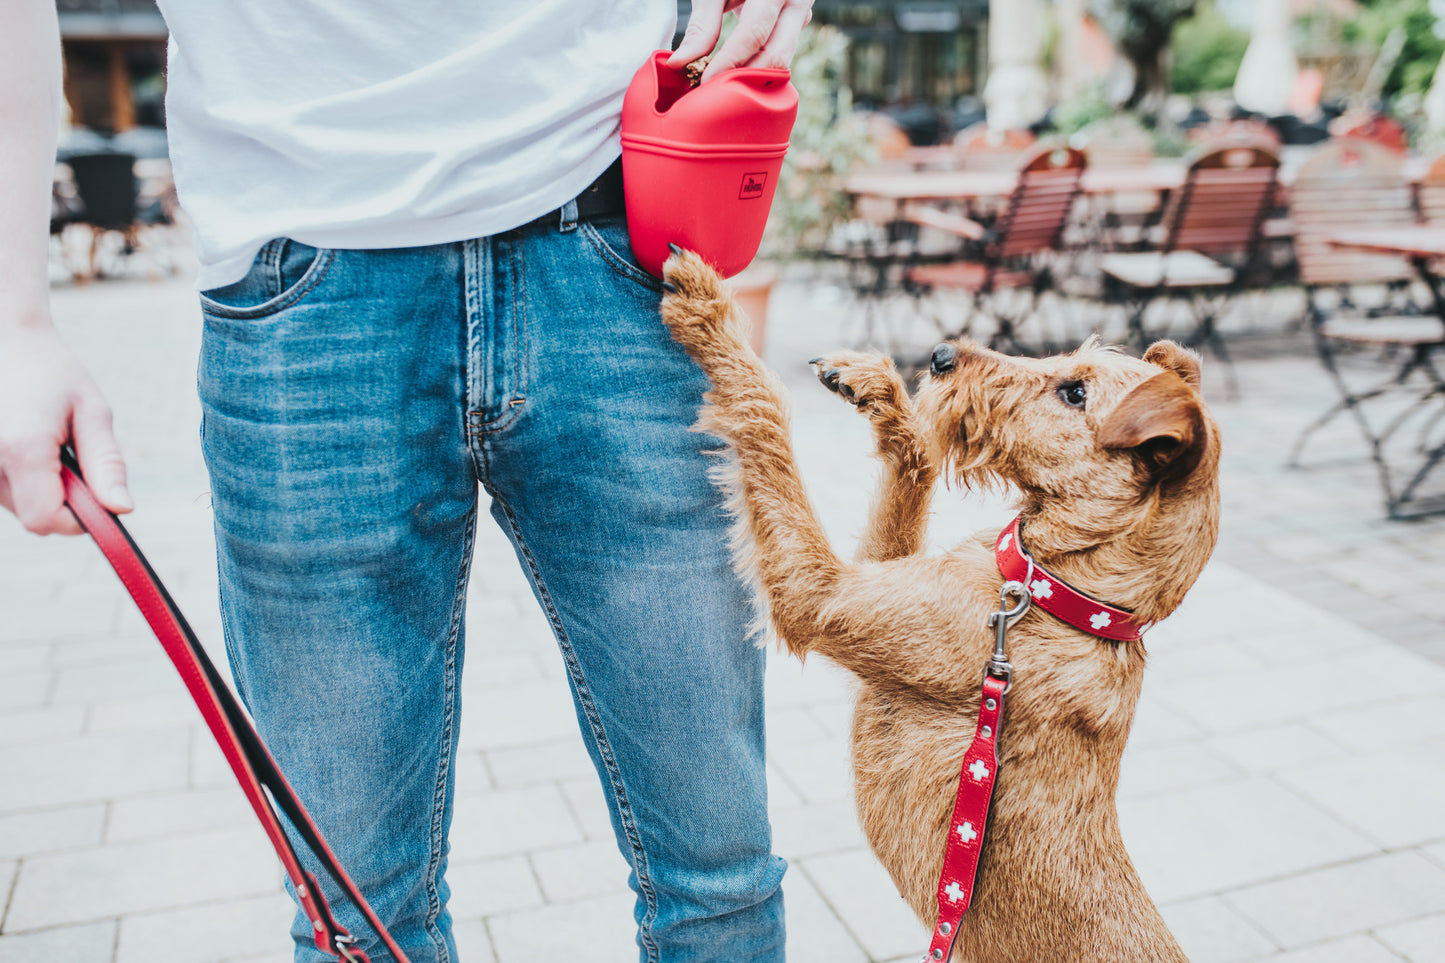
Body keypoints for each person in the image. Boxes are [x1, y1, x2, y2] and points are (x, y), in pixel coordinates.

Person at [0, 1, 814, 960]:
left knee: (719, 875)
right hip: (300, 285)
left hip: (612, 228)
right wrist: (16, 324)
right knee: (362, 913)